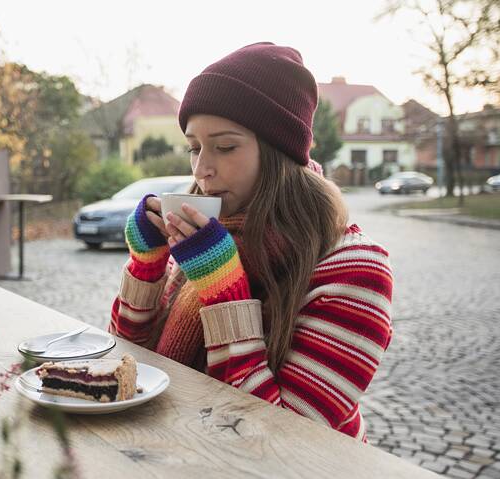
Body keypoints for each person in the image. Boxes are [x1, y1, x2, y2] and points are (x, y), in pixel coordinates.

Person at [109, 42, 393, 441]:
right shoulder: (210, 232)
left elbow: (282, 440)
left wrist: (224, 292)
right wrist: (146, 263)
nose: (202, 169)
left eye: (225, 146)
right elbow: (131, 363)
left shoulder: (355, 271)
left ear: (279, 152)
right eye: (194, 147)